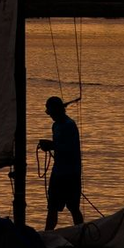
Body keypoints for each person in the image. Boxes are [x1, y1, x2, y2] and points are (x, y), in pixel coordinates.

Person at [39, 95, 83, 230]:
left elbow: (70, 148)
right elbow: (59, 145)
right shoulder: (55, 126)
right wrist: (50, 145)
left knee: (73, 207)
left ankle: (81, 234)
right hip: (58, 172)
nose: (50, 115)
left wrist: (51, 145)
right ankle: (48, 234)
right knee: (52, 206)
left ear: (58, 110)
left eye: (51, 112)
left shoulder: (69, 125)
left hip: (71, 173)